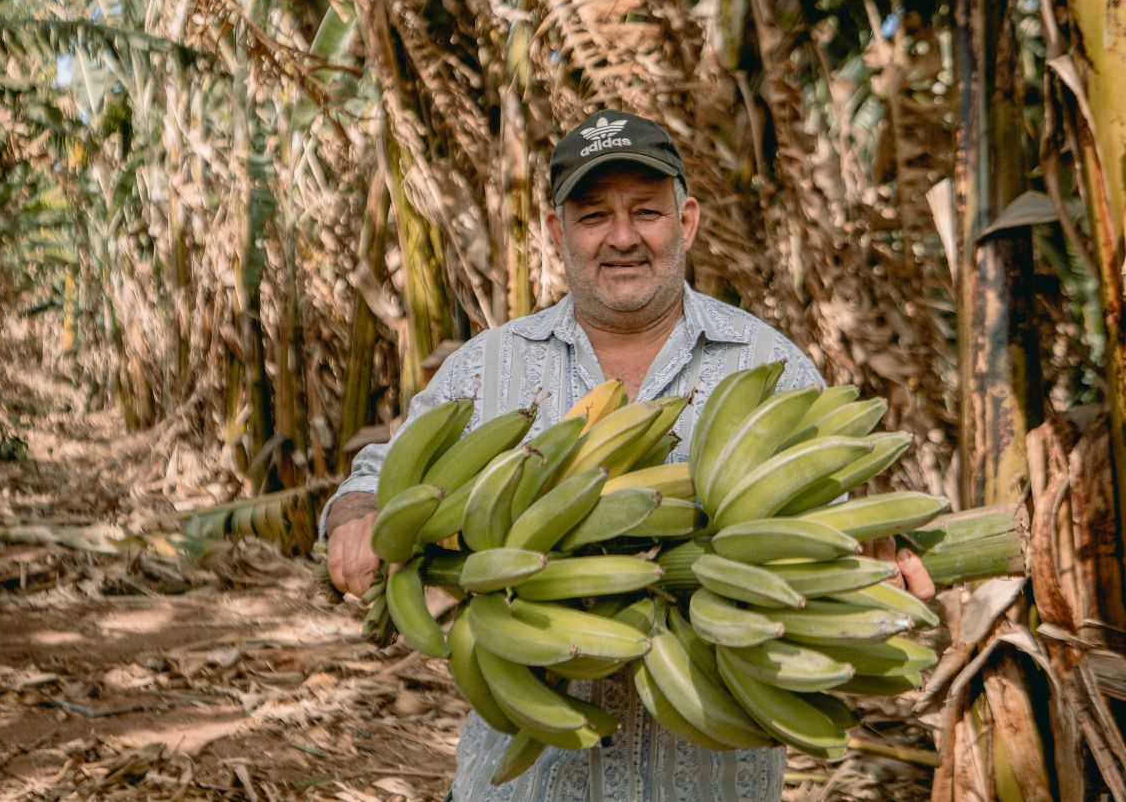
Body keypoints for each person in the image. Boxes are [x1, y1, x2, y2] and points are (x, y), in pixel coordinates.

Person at [322, 109, 933, 800]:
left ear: (687, 221)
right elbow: (380, 476)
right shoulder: (485, 369)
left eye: (646, 211)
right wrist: (360, 512)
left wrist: (876, 556)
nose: (622, 237)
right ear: (556, 233)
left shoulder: (769, 367)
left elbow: (831, 517)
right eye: (592, 215)